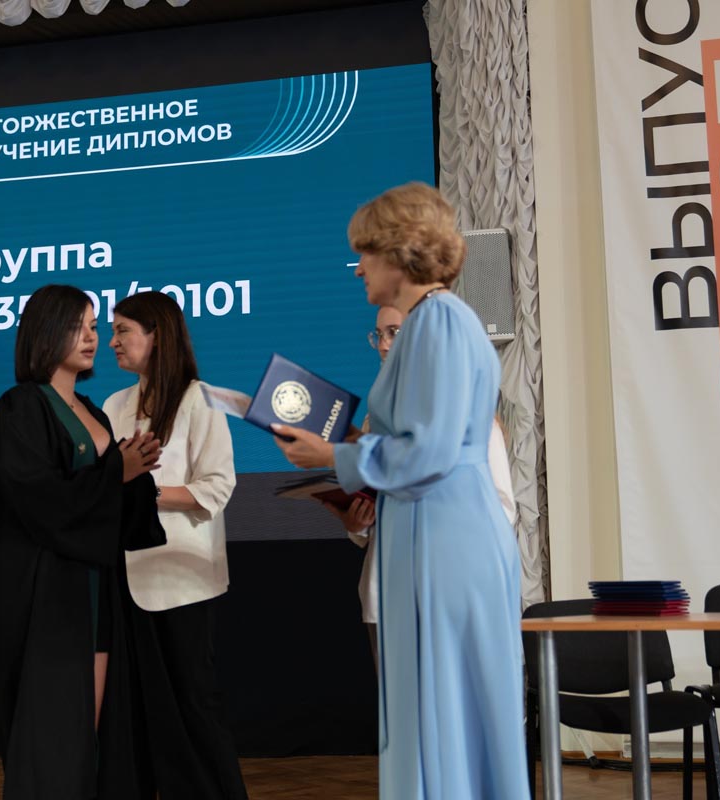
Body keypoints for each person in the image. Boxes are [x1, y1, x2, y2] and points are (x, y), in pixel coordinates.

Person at [273, 183, 526, 799]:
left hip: (447, 542)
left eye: (365, 253)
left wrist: (332, 456)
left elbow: (431, 451)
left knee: (443, 717)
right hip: (433, 537)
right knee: (437, 718)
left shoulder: (437, 322)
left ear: (399, 251)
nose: (358, 267)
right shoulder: (437, 325)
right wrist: (349, 448)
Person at [0, 284, 165, 800]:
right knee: (54, 735)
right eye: (78, 326)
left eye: (94, 327)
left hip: (97, 591)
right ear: (45, 331)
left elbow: (112, 505)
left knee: (92, 730)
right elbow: (37, 498)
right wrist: (116, 472)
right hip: (48, 598)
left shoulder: (93, 411)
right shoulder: (19, 408)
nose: (92, 337)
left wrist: (135, 471)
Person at [102, 290, 247, 800]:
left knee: (194, 706)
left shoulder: (199, 398)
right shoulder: (113, 405)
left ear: (157, 336)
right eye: (111, 331)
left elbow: (217, 487)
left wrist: (145, 492)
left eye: (122, 330)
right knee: (141, 712)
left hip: (184, 580)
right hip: (127, 578)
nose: (112, 342)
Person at [325, 305, 519, 677]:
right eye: (379, 335)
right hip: (386, 599)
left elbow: (501, 512)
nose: (384, 345)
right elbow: (370, 519)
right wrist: (358, 523)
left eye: (394, 332)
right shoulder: (374, 422)